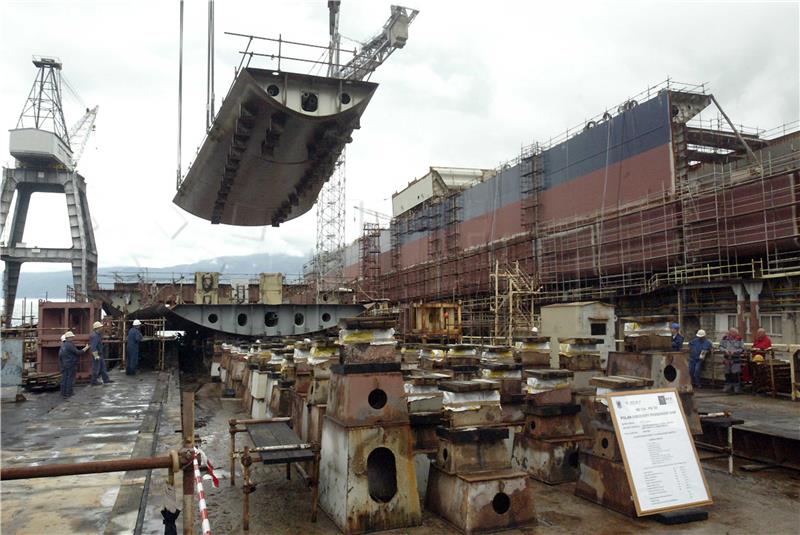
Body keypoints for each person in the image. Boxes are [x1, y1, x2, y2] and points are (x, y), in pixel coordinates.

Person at [720, 327, 745, 394]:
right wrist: (725, 350)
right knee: (727, 373)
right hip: (727, 358)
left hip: (735, 358)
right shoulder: (724, 338)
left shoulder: (739, 339)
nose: (732, 334)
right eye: (731, 333)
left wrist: (735, 351)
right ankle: (728, 385)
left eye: (734, 333)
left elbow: (742, 348)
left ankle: (736, 387)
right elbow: (721, 346)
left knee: (735, 373)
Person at [59, 331, 83, 398]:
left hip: (64, 364)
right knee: (70, 379)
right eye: (72, 337)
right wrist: (84, 349)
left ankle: (63, 392)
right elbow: (77, 352)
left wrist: (61, 365)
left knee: (64, 379)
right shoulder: (70, 345)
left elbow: (60, 356)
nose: (73, 338)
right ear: (69, 337)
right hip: (71, 364)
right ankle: (68, 393)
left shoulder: (63, 346)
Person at [89, 321, 114, 385]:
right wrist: (96, 355)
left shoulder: (97, 335)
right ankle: (94, 381)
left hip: (100, 354)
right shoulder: (95, 336)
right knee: (96, 368)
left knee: (103, 367)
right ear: (97, 328)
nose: (102, 328)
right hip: (97, 354)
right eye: (100, 327)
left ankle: (106, 379)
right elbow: (93, 347)